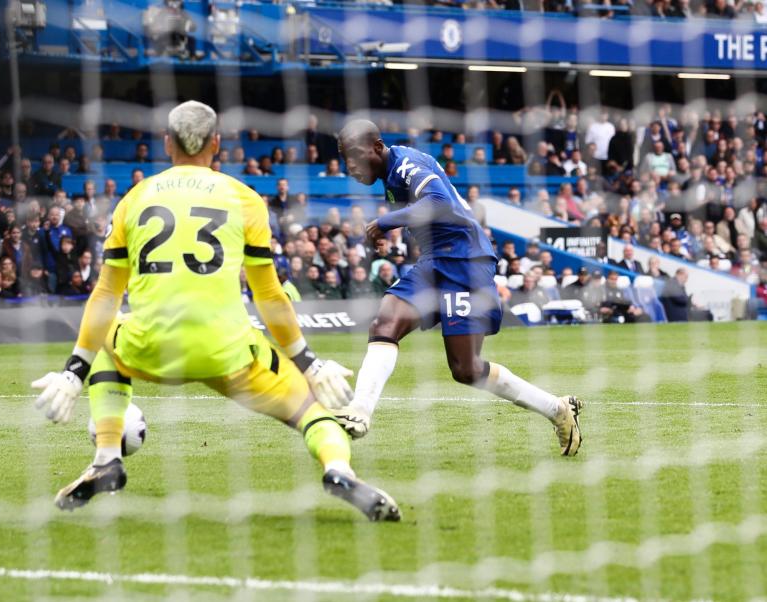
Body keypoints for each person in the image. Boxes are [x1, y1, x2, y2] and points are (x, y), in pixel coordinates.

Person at [31, 101, 399, 521]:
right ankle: (338, 470)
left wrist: (72, 373)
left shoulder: (134, 198)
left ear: (167, 144)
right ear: (217, 144)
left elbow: (105, 294)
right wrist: (310, 365)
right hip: (228, 350)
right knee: (312, 413)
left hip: (151, 345)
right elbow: (270, 296)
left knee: (109, 337)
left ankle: (106, 457)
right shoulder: (244, 199)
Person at [333, 119, 582, 457]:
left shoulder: (407, 164)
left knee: (466, 370)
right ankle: (360, 411)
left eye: (354, 156)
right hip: (435, 261)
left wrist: (386, 222)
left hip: (465, 262)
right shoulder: (391, 176)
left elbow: (440, 204)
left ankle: (557, 409)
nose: (349, 167)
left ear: (377, 147)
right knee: (384, 324)